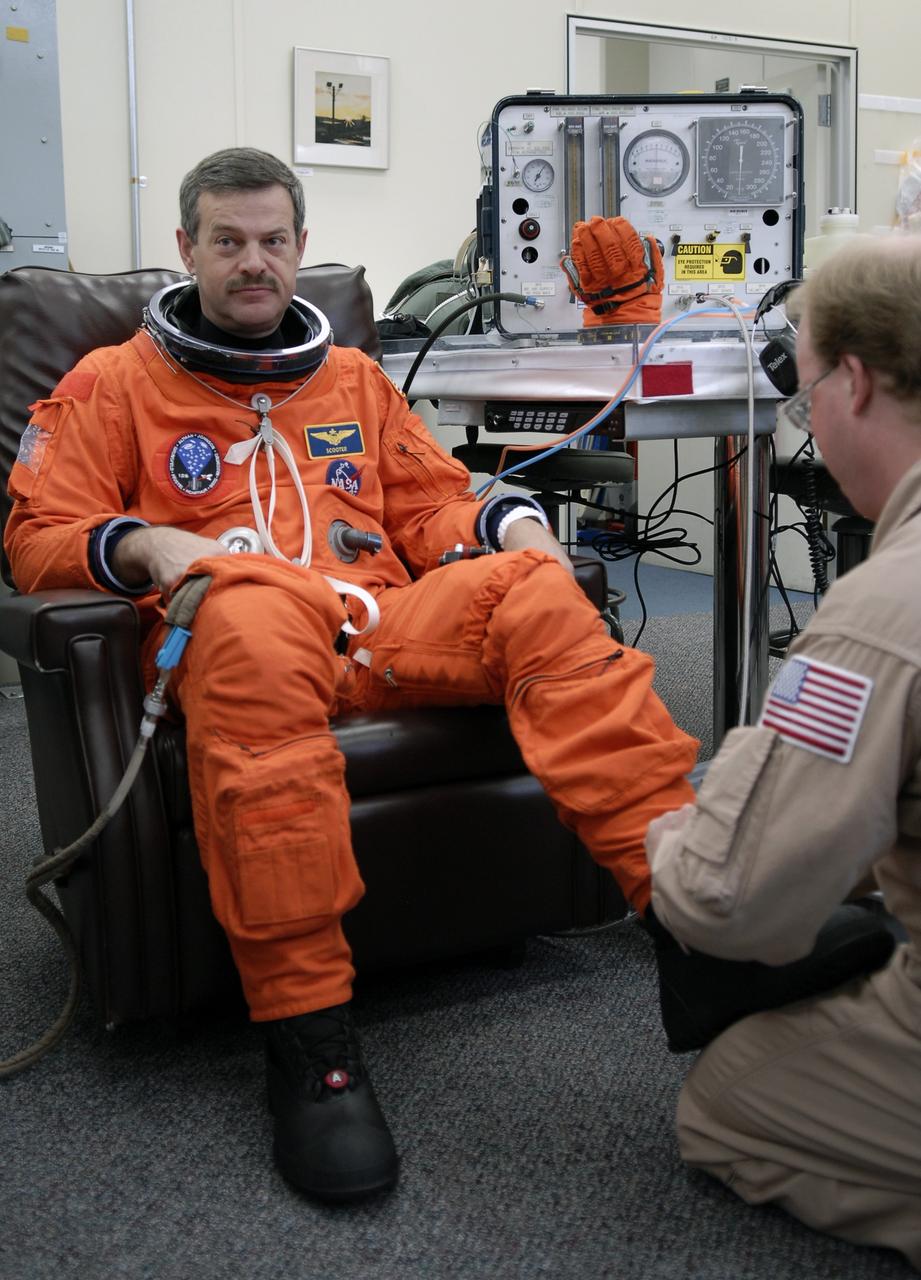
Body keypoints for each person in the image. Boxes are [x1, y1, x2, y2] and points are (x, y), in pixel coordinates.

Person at [3, 149, 892, 1205]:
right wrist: (149, 543)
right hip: (243, 645)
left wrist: (516, 528)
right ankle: (311, 1043)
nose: (253, 262)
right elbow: (36, 534)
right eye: (228, 241)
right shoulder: (112, 384)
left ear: (300, 245)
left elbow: (431, 501)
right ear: (185, 247)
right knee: (246, 612)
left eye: (273, 241)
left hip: (376, 626)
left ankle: (695, 928)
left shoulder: (353, 380)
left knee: (536, 591)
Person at [648, 236, 921, 1269]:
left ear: (855, 382)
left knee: (728, 1103)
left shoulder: (879, 612)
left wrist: (673, 837)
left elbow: (732, 900)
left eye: (804, 397)